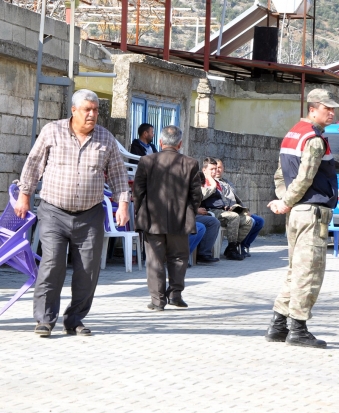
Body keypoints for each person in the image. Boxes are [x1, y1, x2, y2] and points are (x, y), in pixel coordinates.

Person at [15, 89, 130, 337]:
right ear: (74, 110)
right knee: (52, 263)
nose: (92, 114)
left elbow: (120, 176)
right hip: (54, 212)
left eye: (96, 110)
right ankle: (45, 320)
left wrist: (123, 204)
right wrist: (24, 195)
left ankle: (74, 319)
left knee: (88, 270)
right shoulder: (52, 131)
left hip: (90, 216)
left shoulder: (106, 139)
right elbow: (34, 164)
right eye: (87, 109)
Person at [265, 88, 339, 349]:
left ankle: (278, 324)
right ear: (313, 109)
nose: (331, 113)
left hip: (298, 212)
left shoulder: (292, 134)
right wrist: (286, 202)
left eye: (332, 109)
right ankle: (298, 328)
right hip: (311, 211)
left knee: (294, 270)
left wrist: (284, 200)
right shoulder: (315, 139)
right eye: (326, 108)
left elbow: (279, 174)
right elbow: (305, 177)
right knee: (308, 272)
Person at [133, 125, 202, 311]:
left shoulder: (147, 161)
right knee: (179, 257)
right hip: (180, 218)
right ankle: (175, 296)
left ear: (161, 142)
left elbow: (138, 191)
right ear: (180, 144)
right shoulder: (191, 163)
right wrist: (191, 212)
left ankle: (157, 301)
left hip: (152, 218)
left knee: (154, 259)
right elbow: (196, 194)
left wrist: (138, 211)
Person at [201, 158, 252, 261]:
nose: (215, 172)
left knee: (248, 220)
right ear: (204, 170)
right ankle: (232, 249)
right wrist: (212, 185)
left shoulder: (219, 183)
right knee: (233, 217)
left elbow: (223, 200)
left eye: (216, 169)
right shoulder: (201, 181)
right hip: (210, 211)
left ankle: (232, 247)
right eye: (211, 169)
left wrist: (228, 207)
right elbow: (201, 196)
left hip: (222, 211)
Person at [214, 159, 265, 258]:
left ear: (223, 168)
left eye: (219, 167)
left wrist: (245, 210)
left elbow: (236, 199)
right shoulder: (212, 183)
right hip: (226, 212)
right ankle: (238, 247)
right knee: (251, 221)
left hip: (237, 209)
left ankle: (244, 245)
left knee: (260, 221)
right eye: (215, 168)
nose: (217, 170)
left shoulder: (227, 182)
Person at [194, 171, 222, 264]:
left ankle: (204, 254)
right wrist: (195, 210)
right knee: (210, 223)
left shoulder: (197, 190)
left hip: (192, 214)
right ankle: (202, 254)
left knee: (213, 221)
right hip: (184, 216)